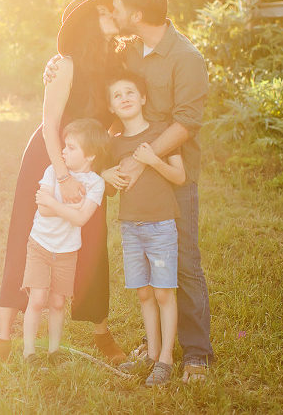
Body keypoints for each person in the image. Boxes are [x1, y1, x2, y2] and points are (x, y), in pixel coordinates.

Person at [45, 0, 214, 382]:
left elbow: (187, 122)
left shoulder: (186, 58)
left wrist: (143, 160)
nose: (113, 11)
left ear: (136, 15)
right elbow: (90, 66)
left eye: (118, 6)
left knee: (183, 260)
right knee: (148, 264)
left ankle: (196, 353)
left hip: (171, 170)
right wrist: (57, 61)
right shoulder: (130, 51)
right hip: (135, 171)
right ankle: (155, 347)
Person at [0, 0, 127, 364]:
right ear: (89, 22)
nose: (115, 15)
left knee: (93, 240)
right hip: (49, 157)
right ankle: (2, 336)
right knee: (26, 237)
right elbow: (49, 123)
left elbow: (117, 120)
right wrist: (64, 176)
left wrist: (102, 163)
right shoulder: (66, 66)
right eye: (106, 11)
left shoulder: (118, 65)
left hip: (89, 161)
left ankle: (101, 332)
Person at [101, 72, 185, 386]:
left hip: (161, 225)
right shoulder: (114, 144)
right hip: (130, 228)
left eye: (130, 92)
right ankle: (151, 355)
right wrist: (105, 174)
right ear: (111, 107)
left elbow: (179, 177)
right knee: (144, 293)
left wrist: (153, 160)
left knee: (163, 292)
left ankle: (166, 359)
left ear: (143, 97)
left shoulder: (161, 132)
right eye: (117, 95)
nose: (124, 98)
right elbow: (110, 188)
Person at [23, 119, 109, 365]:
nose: (63, 151)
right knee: (37, 299)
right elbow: (43, 209)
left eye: (71, 148)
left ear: (90, 155)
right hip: (40, 244)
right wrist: (68, 209)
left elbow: (80, 219)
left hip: (67, 250)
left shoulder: (96, 183)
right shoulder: (53, 171)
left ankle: (54, 352)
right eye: (65, 145)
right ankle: (29, 352)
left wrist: (53, 203)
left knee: (58, 302)